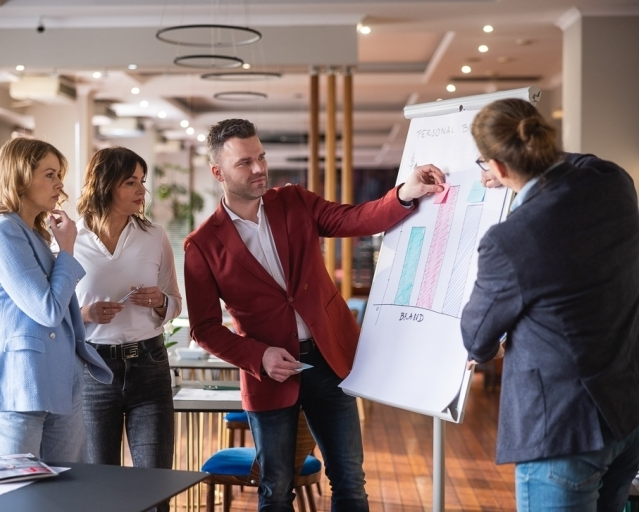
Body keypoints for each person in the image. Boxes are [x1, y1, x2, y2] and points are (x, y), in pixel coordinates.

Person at [184, 118, 444, 511]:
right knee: (275, 491)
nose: (259, 169)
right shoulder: (201, 245)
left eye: (261, 157)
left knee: (350, 481)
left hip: (329, 362)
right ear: (217, 172)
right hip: (269, 376)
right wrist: (259, 356)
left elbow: (354, 219)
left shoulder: (294, 201)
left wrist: (406, 192)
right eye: (244, 163)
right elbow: (204, 328)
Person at [461, 98, 639, 511]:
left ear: (497, 167)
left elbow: (476, 336)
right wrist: (513, 171)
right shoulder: (612, 180)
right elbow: (579, 162)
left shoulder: (510, 239)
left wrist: (488, 349)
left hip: (563, 432)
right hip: (626, 413)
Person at [0, 137, 112, 462]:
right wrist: (67, 250)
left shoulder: (33, 233)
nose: (60, 184)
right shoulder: (1, 232)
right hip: (15, 389)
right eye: (50, 174)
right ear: (20, 177)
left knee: (65, 497)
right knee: (17, 500)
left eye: (59, 174)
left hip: (58, 385)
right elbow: (47, 309)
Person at [74, 147, 181, 511]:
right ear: (105, 185)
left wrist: (160, 301)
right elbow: (54, 308)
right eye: (131, 182)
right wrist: (85, 313)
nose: (141, 191)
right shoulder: (67, 238)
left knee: (155, 487)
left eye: (143, 182)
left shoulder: (154, 235)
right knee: (98, 488)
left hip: (149, 366)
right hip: (93, 370)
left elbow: (175, 301)